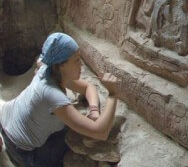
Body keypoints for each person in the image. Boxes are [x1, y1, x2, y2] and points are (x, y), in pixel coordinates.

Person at [0, 32, 119, 167]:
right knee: (69, 137)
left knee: (69, 124)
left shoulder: (49, 68)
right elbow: (100, 132)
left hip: (6, 119)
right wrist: (113, 94)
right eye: (77, 60)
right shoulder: (52, 94)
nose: (82, 65)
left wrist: (94, 111)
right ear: (61, 65)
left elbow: (88, 87)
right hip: (19, 149)